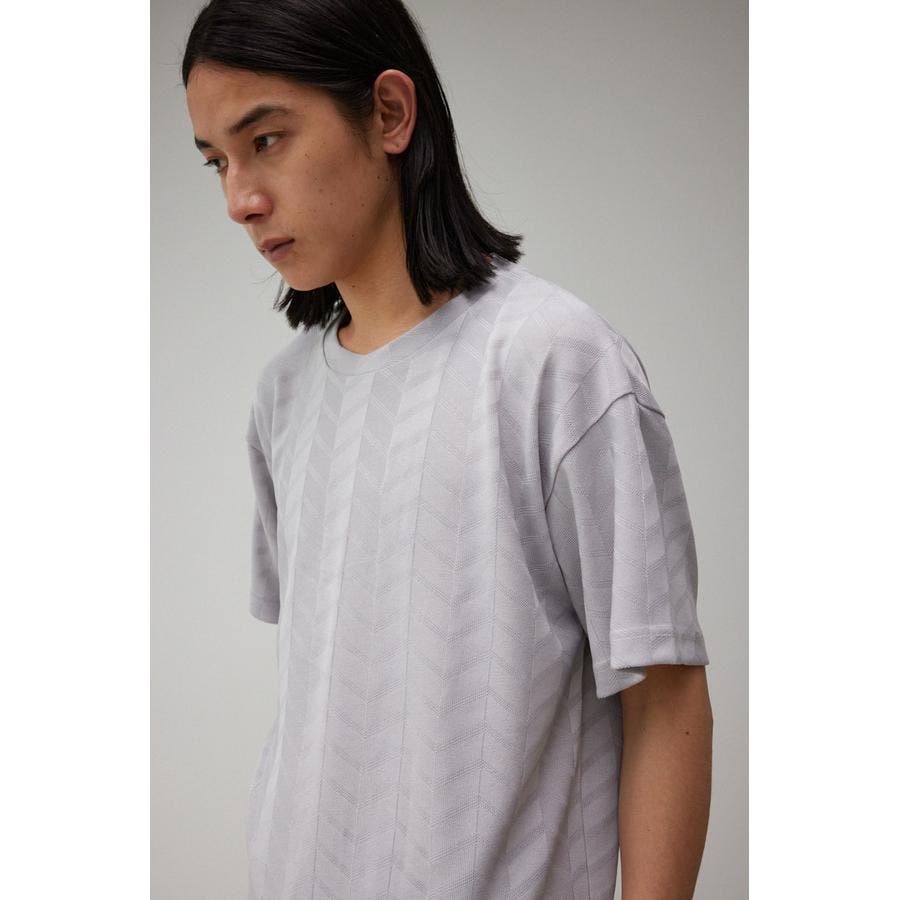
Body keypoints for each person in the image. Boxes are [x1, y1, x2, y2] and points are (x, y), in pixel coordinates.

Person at [182, 1, 713, 897]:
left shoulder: (556, 362)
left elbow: (664, 698)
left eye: (266, 140)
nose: (240, 199)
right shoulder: (284, 397)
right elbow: (328, 704)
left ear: (390, 113)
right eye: (217, 162)